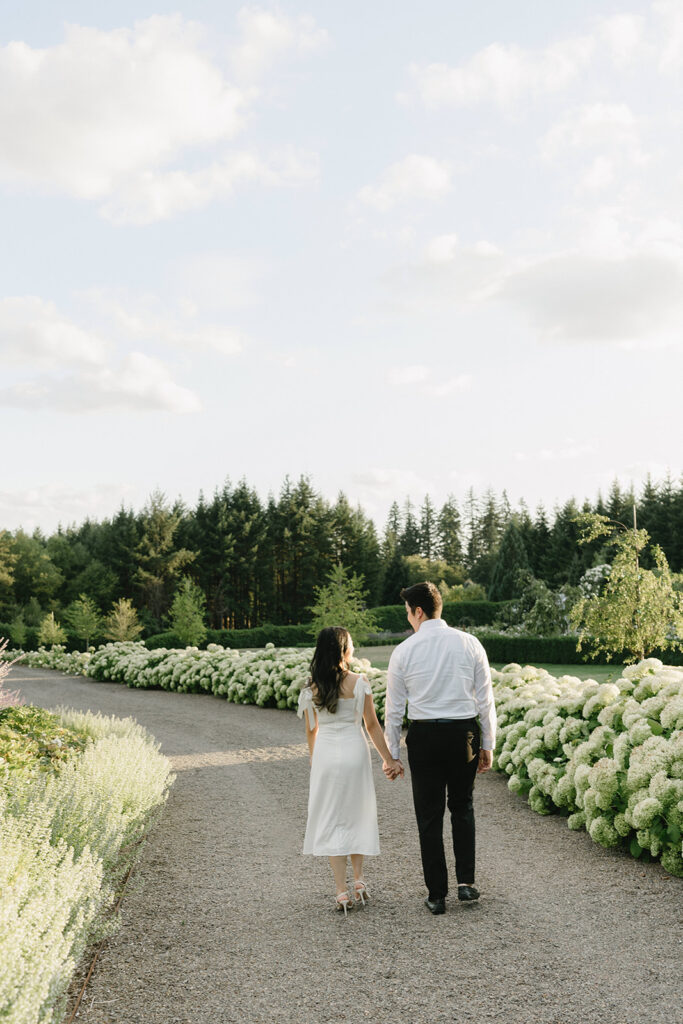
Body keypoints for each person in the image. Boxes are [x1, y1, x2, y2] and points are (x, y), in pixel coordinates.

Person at [383, 581, 496, 915]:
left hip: (425, 738)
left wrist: (393, 755)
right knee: (463, 806)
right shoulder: (470, 643)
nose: (408, 620)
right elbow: (485, 699)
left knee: (429, 816)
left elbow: (393, 709)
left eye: (408, 613)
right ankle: (467, 883)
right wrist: (488, 743)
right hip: (464, 735)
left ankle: (436, 894)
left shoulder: (403, 651)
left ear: (418, 611)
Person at [298, 625, 402, 915]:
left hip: (326, 755)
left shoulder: (312, 688)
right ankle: (359, 881)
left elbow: (311, 730)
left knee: (332, 817)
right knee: (357, 813)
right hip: (355, 752)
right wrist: (389, 759)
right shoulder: (359, 682)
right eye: (351, 645)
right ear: (344, 650)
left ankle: (341, 891)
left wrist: (313, 758)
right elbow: (371, 725)